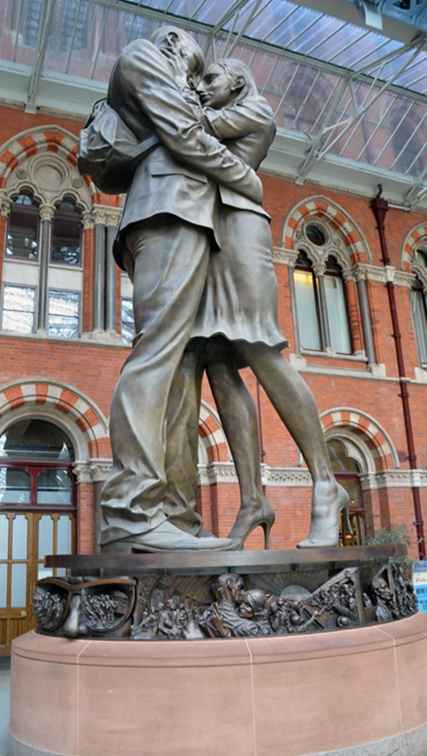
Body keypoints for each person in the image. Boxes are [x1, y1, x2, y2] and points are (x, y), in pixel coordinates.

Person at [165, 59, 350, 549]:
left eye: (211, 79)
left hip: (242, 232)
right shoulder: (226, 110)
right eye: (199, 81)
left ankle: (326, 486)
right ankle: (252, 500)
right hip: (209, 236)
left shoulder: (255, 111)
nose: (202, 88)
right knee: (217, 365)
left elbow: (187, 127)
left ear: (238, 82)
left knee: (262, 349)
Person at [99, 28, 264, 552]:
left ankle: (177, 519)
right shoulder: (145, 57)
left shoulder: (167, 73)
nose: (195, 84)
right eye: (195, 71)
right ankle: (131, 509)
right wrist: (247, 179)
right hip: (166, 212)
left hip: (188, 218)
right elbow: (188, 134)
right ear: (177, 43)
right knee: (156, 358)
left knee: (176, 373)